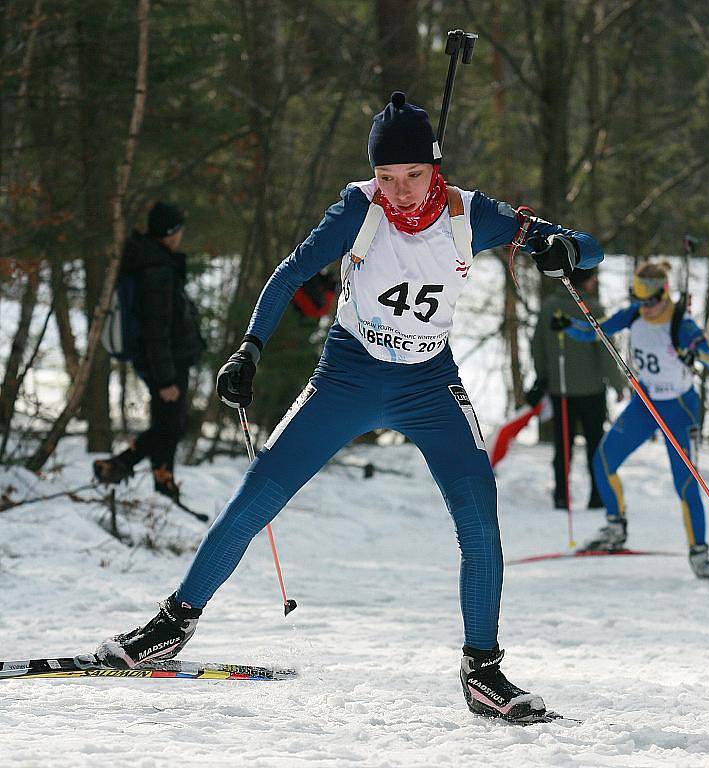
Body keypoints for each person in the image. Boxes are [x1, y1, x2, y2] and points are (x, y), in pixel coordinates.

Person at [95, 92, 603, 723]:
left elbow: (588, 245)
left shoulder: (473, 214)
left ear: (434, 167)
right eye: (387, 177)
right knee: (257, 497)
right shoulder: (357, 209)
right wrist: (249, 349)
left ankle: (483, 672)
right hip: (348, 377)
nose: (401, 191)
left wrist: (564, 251)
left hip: (428, 384)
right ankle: (171, 626)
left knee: (479, 521)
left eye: (413, 175)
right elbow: (288, 273)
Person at [556, 261, 709, 578]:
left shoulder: (681, 323)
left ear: (664, 293)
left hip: (679, 407)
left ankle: (700, 554)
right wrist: (566, 325)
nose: (644, 308)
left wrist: (695, 354)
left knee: (685, 482)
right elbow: (595, 333)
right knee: (603, 461)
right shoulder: (632, 313)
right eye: (639, 299)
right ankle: (615, 527)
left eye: (650, 301)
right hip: (645, 404)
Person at [93, 202, 205, 503]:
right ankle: (118, 465)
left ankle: (162, 480)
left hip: (165, 359)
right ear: (170, 233)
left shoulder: (155, 263)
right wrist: (166, 379)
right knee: (170, 426)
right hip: (166, 362)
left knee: (167, 425)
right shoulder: (157, 271)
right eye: (178, 229)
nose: (181, 235)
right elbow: (157, 331)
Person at [532, 268, 623, 509]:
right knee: (596, 445)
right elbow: (606, 351)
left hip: (560, 389)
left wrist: (543, 377)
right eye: (592, 277)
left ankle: (561, 495)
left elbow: (537, 346)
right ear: (584, 280)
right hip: (591, 390)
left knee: (563, 445)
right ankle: (598, 495)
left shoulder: (549, 306)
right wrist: (617, 383)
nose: (595, 282)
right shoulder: (593, 308)